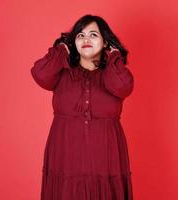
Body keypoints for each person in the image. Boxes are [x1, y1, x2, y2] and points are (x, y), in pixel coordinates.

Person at [30, 14, 134, 200]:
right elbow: (40, 73)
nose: (86, 39)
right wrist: (61, 49)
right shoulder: (62, 73)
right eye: (80, 35)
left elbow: (123, 86)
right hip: (65, 157)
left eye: (93, 35)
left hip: (105, 158)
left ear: (105, 43)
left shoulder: (113, 74)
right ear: (73, 43)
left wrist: (114, 55)